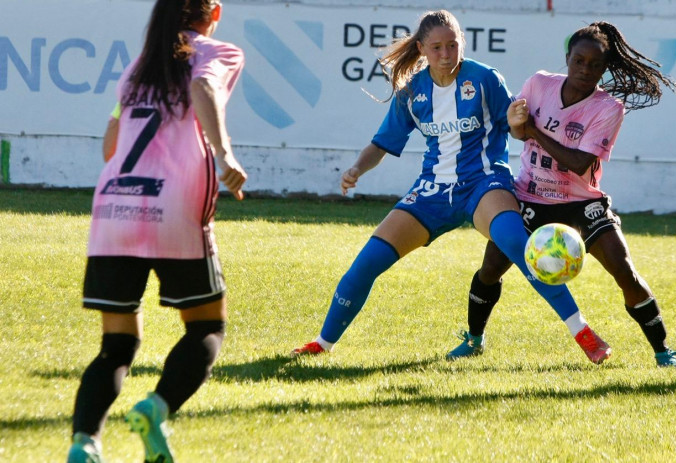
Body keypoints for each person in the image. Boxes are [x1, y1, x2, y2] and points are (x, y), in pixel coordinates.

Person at [291, 10, 611, 365]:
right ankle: (322, 343)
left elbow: (516, 126)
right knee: (366, 263)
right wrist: (356, 168)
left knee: (518, 244)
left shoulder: (484, 78)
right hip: (432, 190)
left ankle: (582, 332)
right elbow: (382, 143)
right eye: (437, 47)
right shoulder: (412, 90)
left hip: (485, 183)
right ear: (422, 49)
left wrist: (521, 124)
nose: (446, 54)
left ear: (462, 43)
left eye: (452, 45)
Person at [66, 1, 247, 462]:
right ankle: (157, 407)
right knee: (207, 327)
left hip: (114, 210)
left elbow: (111, 144)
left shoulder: (139, 67)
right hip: (172, 210)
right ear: (214, 12)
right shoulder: (218, 52)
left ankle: (84, 444)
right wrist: (224, 155)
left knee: (116, 345)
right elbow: (204, 87)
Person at [450, 21, 676, 369]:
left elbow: (578, 163)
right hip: (530, 196)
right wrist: (518, 125)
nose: (585, 69)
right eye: (579, 61)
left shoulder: (608, 109)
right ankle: (473, 340)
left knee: (625, 273)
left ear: (604, 68)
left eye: (594, 64)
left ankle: (664, 353)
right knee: (490, 268)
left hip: (581, 203)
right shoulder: (539, 83)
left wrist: (532, 130)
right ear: (568, 57)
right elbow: (517, 131)